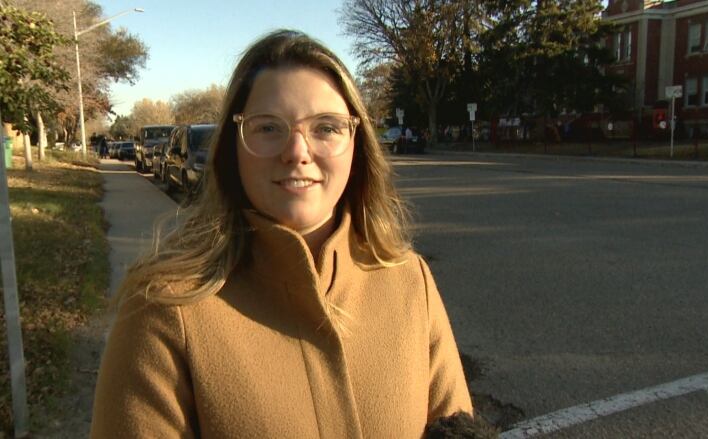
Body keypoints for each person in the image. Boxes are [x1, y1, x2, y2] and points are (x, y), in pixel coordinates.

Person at [91, 29, 472, 438]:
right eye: (268, 127)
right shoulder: (164, 306)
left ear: (356, 147)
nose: (297, 151)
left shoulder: (409, 280)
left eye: (326, 127)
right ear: (232, 149)